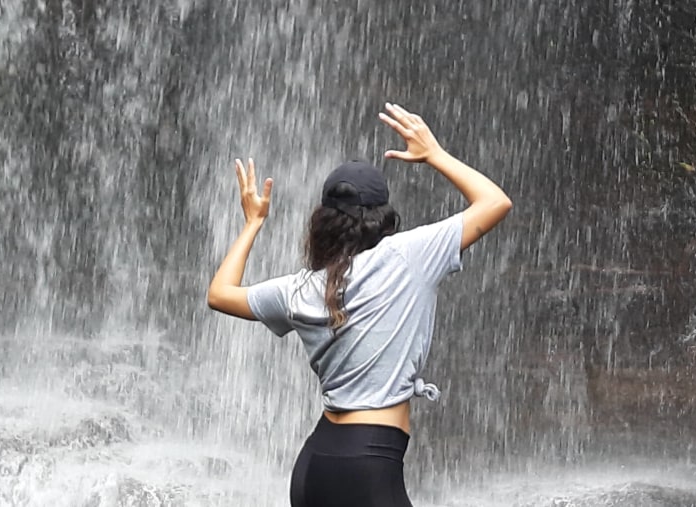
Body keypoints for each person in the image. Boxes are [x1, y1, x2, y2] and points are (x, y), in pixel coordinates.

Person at [207, 103, 512, 507]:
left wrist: (253, 223)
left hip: (314, 466)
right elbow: (495, 202)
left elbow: (219, 294)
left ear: (322, 224)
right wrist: (434, 154)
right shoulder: (408, 256)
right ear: (384, 218)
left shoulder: (299, 289)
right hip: (370, 468)